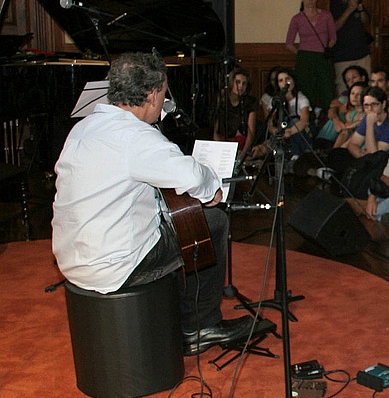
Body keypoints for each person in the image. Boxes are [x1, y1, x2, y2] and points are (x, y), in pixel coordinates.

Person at [52, 52, 257, 355]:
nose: (163, 102)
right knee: (212, 223)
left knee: (174, 222)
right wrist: (213, 189)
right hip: (115, 265)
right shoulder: (137, 138)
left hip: (71, 257)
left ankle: (175, 311)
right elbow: (194, 177)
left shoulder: (84, 127)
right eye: (163, 94)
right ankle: (200, 325)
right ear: (150, 95)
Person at [285, 0, 337, 111]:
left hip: (323, 57)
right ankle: (308, 121)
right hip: (305, 59)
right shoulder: (297, 19)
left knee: (327, 91)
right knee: (306, 91)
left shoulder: (326, 15)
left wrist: (327, 48)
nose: (310, 0)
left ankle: (328, 120)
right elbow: (288, 43)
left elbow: (333, 38)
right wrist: (301, 53)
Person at [328, 0, 371, 94]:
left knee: (366, 90)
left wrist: (360, 9)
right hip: (343, 56)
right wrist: (350, 9)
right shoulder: (331, 4)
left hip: (362, 53)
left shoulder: (354, 0)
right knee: (346, 92)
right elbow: (333, 28)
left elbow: (366, 22)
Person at [212, 68, 257, 160]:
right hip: (224, 144)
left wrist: (243, 154)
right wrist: (225, 151)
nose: (241, 86)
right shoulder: (221, 101)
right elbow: (215, 133)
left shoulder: (250, 102)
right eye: (238, 82)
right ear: (231, 83)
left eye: (244, 83)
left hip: (243, 144)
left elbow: (251, 132)